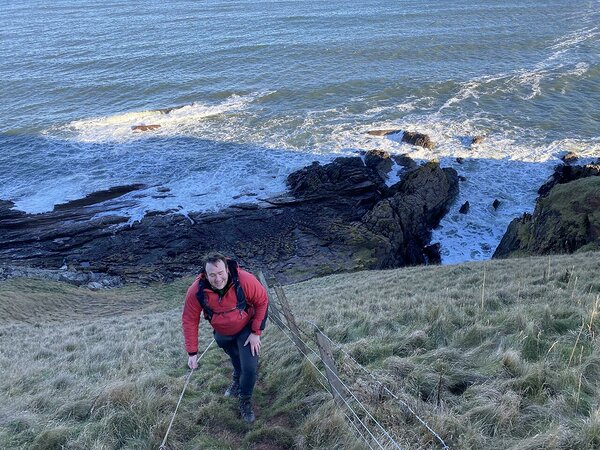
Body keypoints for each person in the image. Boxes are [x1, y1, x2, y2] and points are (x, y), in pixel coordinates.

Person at [182, 252, 268, 423]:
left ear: (227, 270)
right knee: (237, 360)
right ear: (205, 274)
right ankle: (236, 378)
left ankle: (245, 400)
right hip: (223, 335)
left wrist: (255, 332)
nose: (218, 278)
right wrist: (192, 353)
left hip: (246, 329)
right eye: (212, 275)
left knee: (249, 368)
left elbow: (262, 301)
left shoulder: (245, 280)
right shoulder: (196, 290)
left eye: (220, 273)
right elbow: (189, 320)